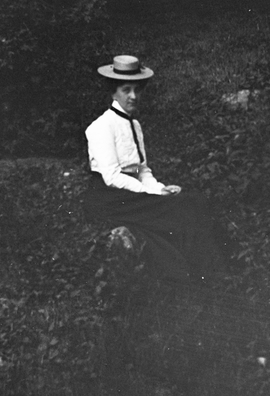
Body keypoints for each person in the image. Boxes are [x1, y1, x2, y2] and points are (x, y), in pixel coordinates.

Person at [83, 55, 225, 285]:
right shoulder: (100, 127)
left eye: (137, 90)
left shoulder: (135, 125)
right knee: (185, 207)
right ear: (113, 92)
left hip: (131, 194)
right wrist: (151, 194)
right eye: (126, 90)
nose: (133, 96)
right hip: (109, 197)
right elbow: (111, 176)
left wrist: (160, 189)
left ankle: (208, 275)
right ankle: (208, 276)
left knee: (192, 201)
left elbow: (142, 170)